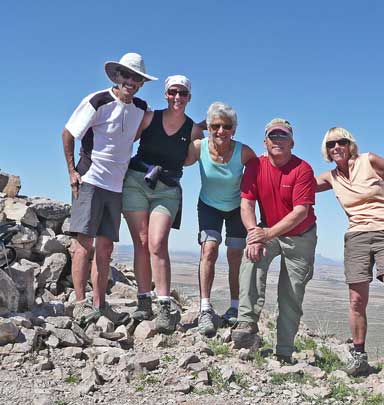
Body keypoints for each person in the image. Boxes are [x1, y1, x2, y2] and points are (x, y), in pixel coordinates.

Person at [62, 52, 157, 326]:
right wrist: (72, 172)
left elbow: (134, 134)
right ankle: (81, 304)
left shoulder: (140, 106)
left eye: (136, 78)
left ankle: (100, 304)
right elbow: (68, 133)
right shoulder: (97, 100)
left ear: (141, 83)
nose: (130, 81)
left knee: (105, 249)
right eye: (126, 75)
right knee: (83, 245)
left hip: (116, 186)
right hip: (90, 179)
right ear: (117, 76)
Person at [315, 127, 384, 381]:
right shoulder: (330, 177)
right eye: (331, 144)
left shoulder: (369, 161)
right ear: (326, 151)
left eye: (341, 142)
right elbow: (297, 183)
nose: (336, 147)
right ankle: (359, 357)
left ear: (350, 145)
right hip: (356, 237)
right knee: (357, 301)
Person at [231, 118, 317, 364]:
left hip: (300, 235)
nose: (277, 140)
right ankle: (246, 322)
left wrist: (266, 234)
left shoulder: (303, 169)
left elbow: (300, 212)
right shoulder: (256, 166)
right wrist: (253, 232)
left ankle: (284, 351)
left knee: (291, 292)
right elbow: (246, 202)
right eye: (273, 136)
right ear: (265, 141)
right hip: (268, 228)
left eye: (283, 136)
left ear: (292, 142)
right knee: (251, 256)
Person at [122, 75, 204, 333]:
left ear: (189, 97)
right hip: (136, 181)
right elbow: (124, 142)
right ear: (166, 94)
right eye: (172, 92)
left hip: (167, 188)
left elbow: (190, 160)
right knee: (142, 241)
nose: (177, 97)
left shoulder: (193, 130)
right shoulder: (148, 118)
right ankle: (144, 299)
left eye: (182, 93)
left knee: (158, 243)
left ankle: (165, 304)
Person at [184, 102, 256, 335]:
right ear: (209, 127)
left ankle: (235, 308)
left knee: (235, 256)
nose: (221, 131)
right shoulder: (199, 147)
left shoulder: (243, 151)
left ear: (234, 129)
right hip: (209, 207)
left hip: (237, 208)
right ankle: (205, 309)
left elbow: (260, 175)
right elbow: (179, 160)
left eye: (226, 126)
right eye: (215, 126)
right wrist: (195, 129)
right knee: (209, 251)